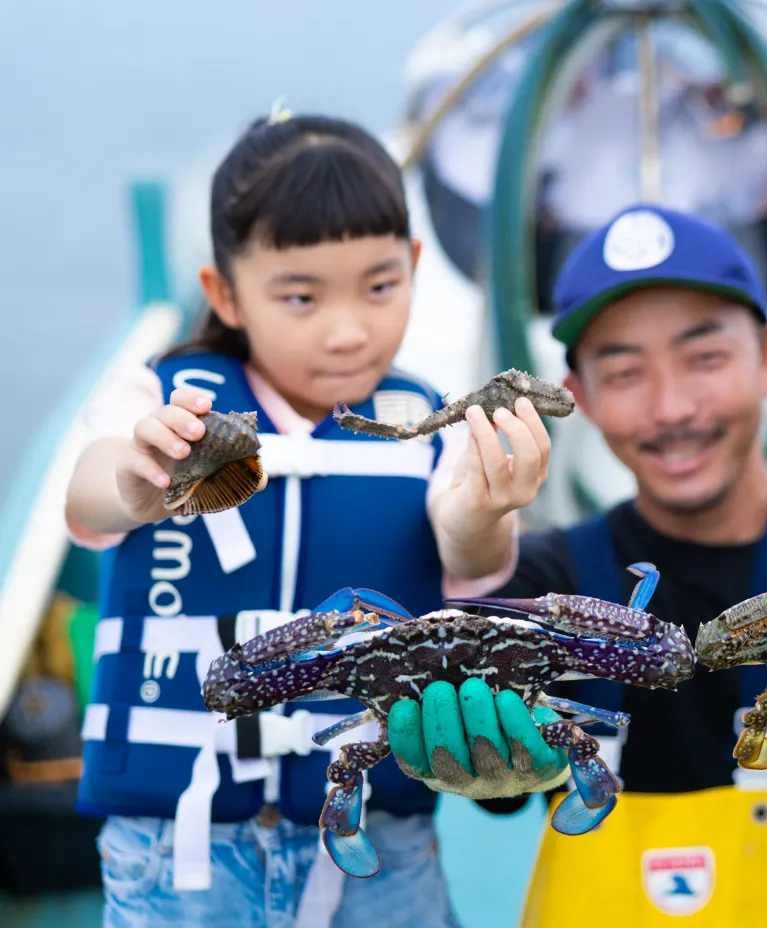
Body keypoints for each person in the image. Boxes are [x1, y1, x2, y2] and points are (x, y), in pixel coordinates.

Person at [383, 203, 767, 928]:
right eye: (626, 371)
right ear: (582, 396)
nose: (672, 407)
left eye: (705, 357)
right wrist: (493, 759)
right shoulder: (539, 584)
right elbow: (500, 786)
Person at [63, 107, 553, 927]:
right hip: (180, 845)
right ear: (225, 292)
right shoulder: (158, 399)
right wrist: (139, 481)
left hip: (380, 846)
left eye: (381, 285)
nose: (348, 329)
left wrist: (487, 505)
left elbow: (470, 553)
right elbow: (90, 490)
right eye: (300, 295)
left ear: (417, 265)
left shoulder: (429, 423)